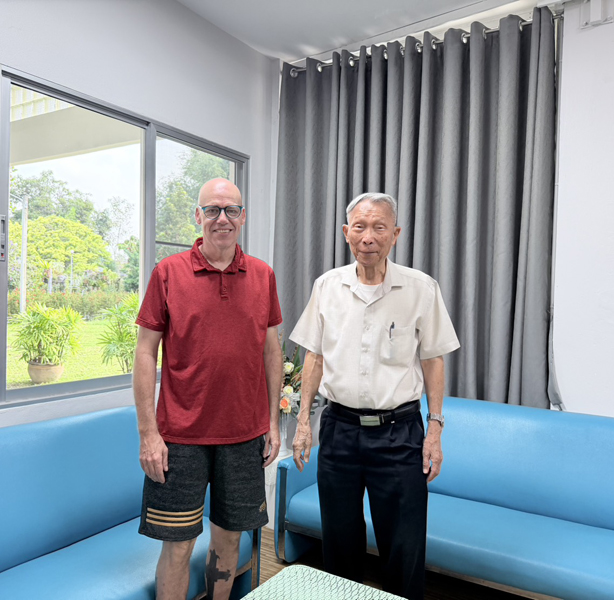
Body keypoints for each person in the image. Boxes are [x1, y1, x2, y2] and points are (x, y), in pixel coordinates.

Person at [289, 192, 460, 600]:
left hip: (399, 433)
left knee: (404, 544)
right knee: (339, 541)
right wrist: (303, 424)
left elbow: (433, 360)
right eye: (360, 227)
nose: (368, 237)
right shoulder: (327, 286)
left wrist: (435, 429)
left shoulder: (420, 288)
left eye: (379, 227)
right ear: (346, 232)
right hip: (339, 430)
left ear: (395, 234)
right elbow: (314, 357)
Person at [133, 178, 283, 600]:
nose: (222, 219)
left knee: (230, 539)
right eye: (213, 210)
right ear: (198, 216)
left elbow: (272, 351)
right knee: (179, 547)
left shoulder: (263, 275)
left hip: (244, 436)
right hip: (180, 439)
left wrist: (273, 423)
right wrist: (148, 434)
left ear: (243, 216)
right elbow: (145, 353)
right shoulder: (168, 273)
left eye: (231, 210)